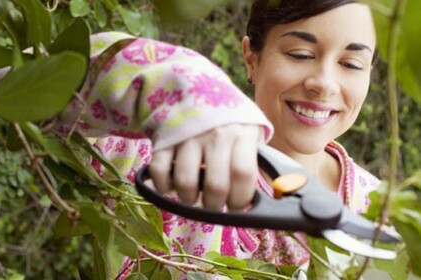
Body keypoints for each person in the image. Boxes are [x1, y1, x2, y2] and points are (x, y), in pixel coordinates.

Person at [55, 0, 380, 278]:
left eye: (351, 64)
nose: (323, 83)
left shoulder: (381, 212)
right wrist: (188, 88)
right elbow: (38, 79)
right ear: (252, 58)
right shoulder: (160, 149)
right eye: (299, 54)